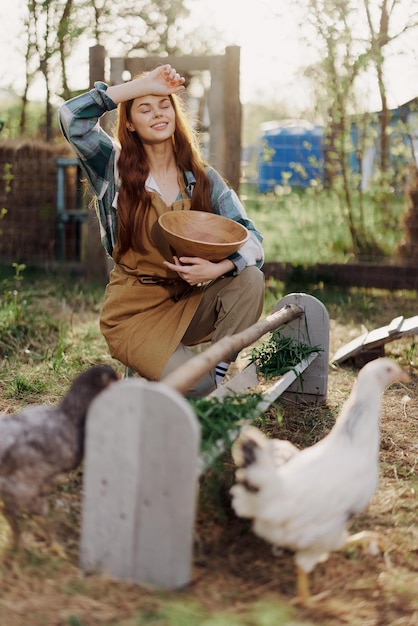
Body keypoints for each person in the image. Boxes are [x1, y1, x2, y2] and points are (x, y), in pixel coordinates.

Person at [59, 64, 265, 397]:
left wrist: (219, 267)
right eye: (145, 108)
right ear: (129, 123)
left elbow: (252, 239)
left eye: (164, 104)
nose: (157, 113)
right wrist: (143, 83)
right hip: (134, 311)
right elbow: (72, 118)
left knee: (250, 279)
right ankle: (189, 380)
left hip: (186, 300)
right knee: (194, 386)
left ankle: (218, 371)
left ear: (175, 112)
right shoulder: (113, 167)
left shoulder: (202, 178)